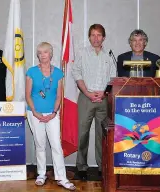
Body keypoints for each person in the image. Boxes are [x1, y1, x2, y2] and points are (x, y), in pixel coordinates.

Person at [26, 42, 75, 190]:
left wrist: (54, 113)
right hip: (34, 113)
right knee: (40, 144)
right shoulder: (31, 71)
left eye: (45, 52)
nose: (42, 55)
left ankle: (62, 177)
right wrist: (35, 112)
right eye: (40, 52)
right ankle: (41, 174)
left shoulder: (58, 73)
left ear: (51, 54)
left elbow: (59, 96)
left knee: (56, 146)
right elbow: (27, 95)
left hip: (52, 114)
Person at [72, 24, 116, 180]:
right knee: (82, 134)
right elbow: (76, 72)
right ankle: (81, 167)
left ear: (103, 37)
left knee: (102, 135)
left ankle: (102, 167)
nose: (96, 38)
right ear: (89, 37)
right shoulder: (82, 53)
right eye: (93, 35)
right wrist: (87, 93)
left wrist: (103, 94)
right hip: (86, 98)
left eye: (99, 35)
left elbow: (113, 77)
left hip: (103, 100)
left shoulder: (109, 56)